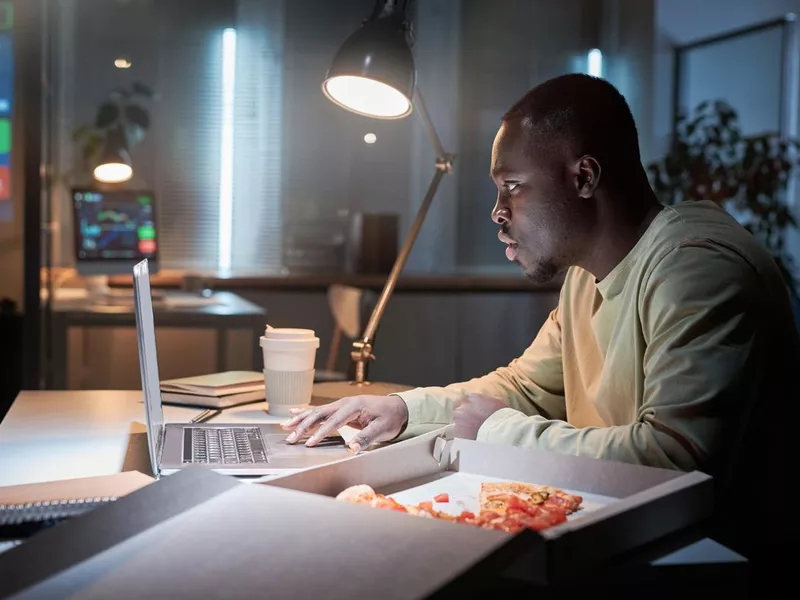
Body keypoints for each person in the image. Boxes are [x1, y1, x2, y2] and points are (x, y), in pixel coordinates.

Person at [283, 74, 798, 559]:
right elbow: (525, 387)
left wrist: (499, 431)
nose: (497, 212)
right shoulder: (585, 277)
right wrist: (399, 409)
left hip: (713, 563)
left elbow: (675, 459)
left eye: (512, 185)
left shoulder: (698, 268)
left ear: (585, 177)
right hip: (631, 536)